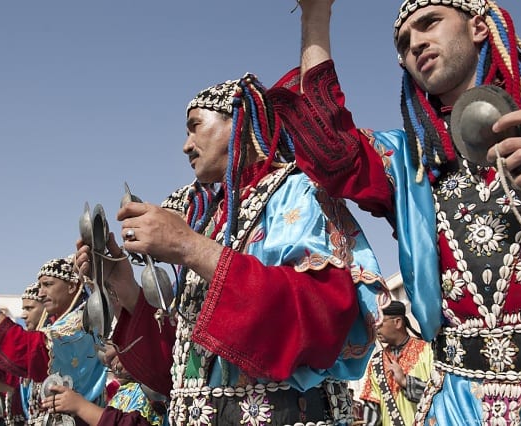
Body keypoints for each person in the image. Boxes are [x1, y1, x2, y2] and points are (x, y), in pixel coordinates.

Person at [269, 0, 521, 424]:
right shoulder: (413, 161)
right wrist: (315, 15)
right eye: (403, 41)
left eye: (429, 23)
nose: (415, 42)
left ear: (477, 27)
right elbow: (327, 148)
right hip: (459, 403)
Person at [76, 73, 390, 425]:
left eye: (195, 126)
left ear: (238, 122)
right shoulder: (212, 220)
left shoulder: (298, 192)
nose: (185, 145)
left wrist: (187, 245)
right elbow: (178, 372)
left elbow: (325, 318)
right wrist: (123, 283)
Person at [0, 257, 107, 425]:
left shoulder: (81, 325)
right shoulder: (55, 328)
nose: (41, 293)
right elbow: (5, 369)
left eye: (48, 284)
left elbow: (32, 352)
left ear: (71, 286)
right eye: (40, 286)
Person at [359, 301, 432, 426]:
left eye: (379, 322)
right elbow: (372, 410)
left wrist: (405, 382)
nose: (375, 327)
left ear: (397, 322)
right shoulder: (376, 363)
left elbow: (440, 396)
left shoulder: (427, 350)